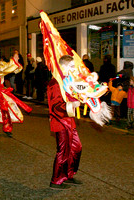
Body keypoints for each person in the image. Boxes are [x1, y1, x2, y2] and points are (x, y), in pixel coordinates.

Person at [47, 55, 82, 190]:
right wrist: (72, 104)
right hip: (60, 121)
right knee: (63, 150)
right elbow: (56, 106)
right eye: (72, 66)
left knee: (76, 148)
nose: (74, 69)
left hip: (68, 120)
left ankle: (68, 174)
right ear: (63, 66)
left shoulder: (66, 80)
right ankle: (56, 180)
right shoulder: (55, 82)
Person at [0, 46, 32, 138]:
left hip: (2, 89)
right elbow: (1, 70)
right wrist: (12, 62)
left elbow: (16, 69)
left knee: (6, 108)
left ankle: (7, 128)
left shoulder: (1, 63)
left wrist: (16, 61)